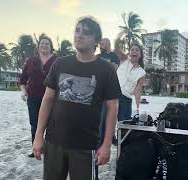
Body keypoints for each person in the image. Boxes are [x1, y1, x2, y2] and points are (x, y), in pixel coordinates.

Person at [32, 16, 121, 180]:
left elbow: (113, 106)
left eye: (86, 33)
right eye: (77, 30)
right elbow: (47, 100)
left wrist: (107, 144)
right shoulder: (60, 63)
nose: (79, 35)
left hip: (86, 146)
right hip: (54, 141)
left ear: (97, 41)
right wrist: (38, 136)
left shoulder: (106, 69)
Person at [19, 35, 57, 158]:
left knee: (52, 124)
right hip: (33, 97)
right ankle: (36, 148)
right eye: (42, 43)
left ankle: (51, 149)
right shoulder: (31, 61)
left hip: (52, 98)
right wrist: (23, 91)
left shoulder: (57, 61)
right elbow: (23, 79)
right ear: (38, 46)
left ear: (51, 47)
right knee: (34, 124)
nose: (44, 45)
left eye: (47, 43)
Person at [98, 38, 120, 146]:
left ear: (107, 44)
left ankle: (105, 141)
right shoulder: (97, 56)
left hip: (108, 91)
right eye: (100, 44)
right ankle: (98, 142)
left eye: (102, 43)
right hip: (97, 92)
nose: (100, 45)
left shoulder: (114, 56)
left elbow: (113, 70)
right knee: (98, 119)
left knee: (106, 118)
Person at [116, 43, 146, 121]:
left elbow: (137, 90)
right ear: (129, 53)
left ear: (140, 55)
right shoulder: (124, 60)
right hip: (113, 95)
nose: (134, 51)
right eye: (132, 50)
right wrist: (120, 37)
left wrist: (138, 107)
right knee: (106, 122)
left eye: (137, 50)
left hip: (126, 99)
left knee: (123, 124)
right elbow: (117, 48)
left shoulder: (142, 72)